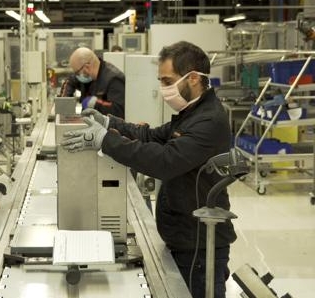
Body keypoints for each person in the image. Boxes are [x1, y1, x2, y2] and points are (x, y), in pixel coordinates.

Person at [61, 41, 235, 298]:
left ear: (194, 78)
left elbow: (165, 162)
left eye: (167, 81)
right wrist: (109, 122)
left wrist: (104, 140)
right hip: (184, 235)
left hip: (198, 243)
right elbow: (151, 136)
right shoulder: (191, 112)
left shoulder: (209, 120)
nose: (163, 88)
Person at [59, 47, 125, 118]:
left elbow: (119, 111)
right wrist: (65, 100)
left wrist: (95, 104)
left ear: (87, 67)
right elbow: (71, 80)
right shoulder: (88, 76)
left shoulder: (113, 79)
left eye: (77, 73)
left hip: (106, 127)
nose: (77, 76)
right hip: (90, 123)